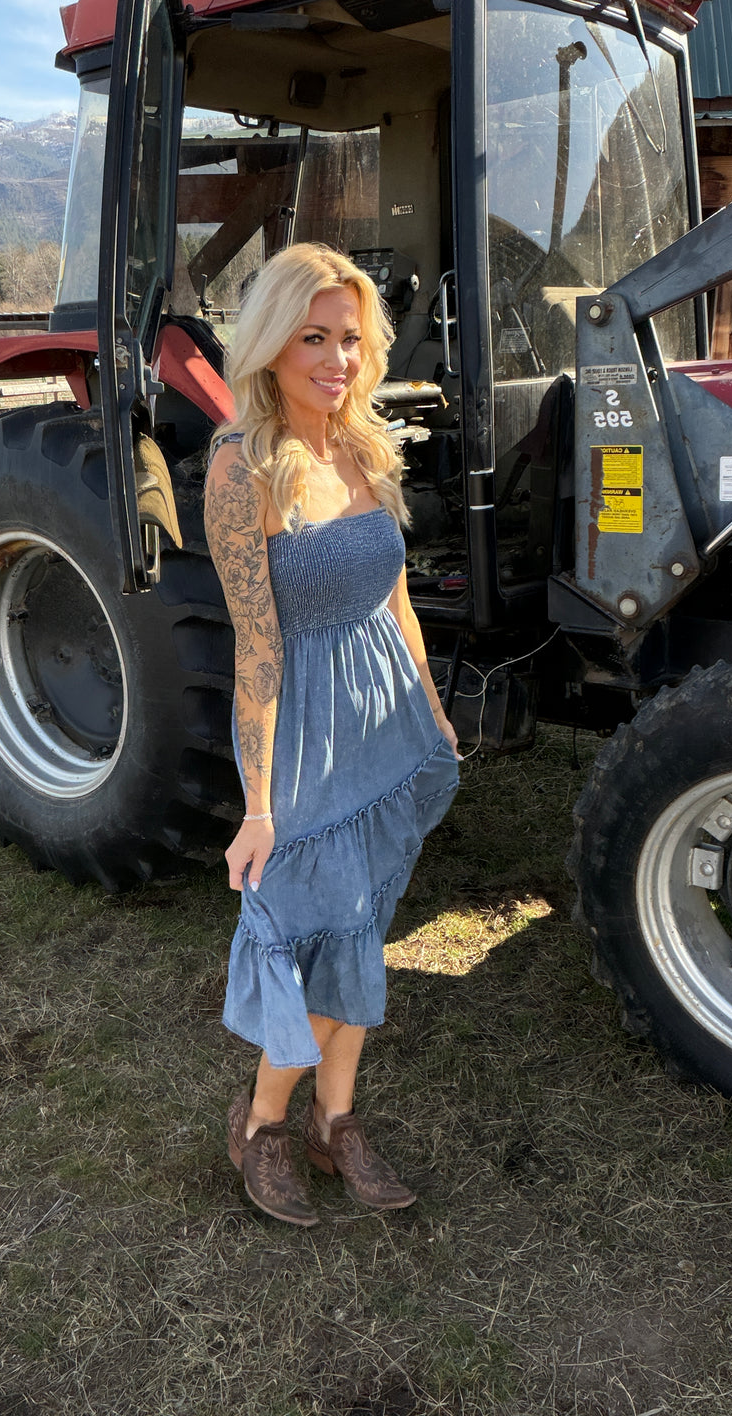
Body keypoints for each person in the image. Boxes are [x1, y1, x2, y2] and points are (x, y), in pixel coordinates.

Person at [204, 242, 460, 1227]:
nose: (336, 359)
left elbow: (395, 594)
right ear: (271, 344)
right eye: (313, 337)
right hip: (306, 728)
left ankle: (336, 1118)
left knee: (365, 928)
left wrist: (430, 708)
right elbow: (256, 649)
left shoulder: (359, 444)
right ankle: (264, 1122)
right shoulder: (243, 467)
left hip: (385, 719)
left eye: (350, 338)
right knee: (318, 934)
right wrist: (261, 803)